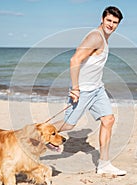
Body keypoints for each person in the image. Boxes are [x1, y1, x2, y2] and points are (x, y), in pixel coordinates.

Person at [54, 6, 126, 176]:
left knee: (108, 120)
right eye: (109, 20)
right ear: (102, 19)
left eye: (115, 23)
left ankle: (104, 164)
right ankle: (36, 134)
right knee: (69, 124)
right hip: (84, 90)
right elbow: (75, 59)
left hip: (97, 88)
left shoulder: (104, 37)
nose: (111, 25)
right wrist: (75, 88)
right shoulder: (95, 37)